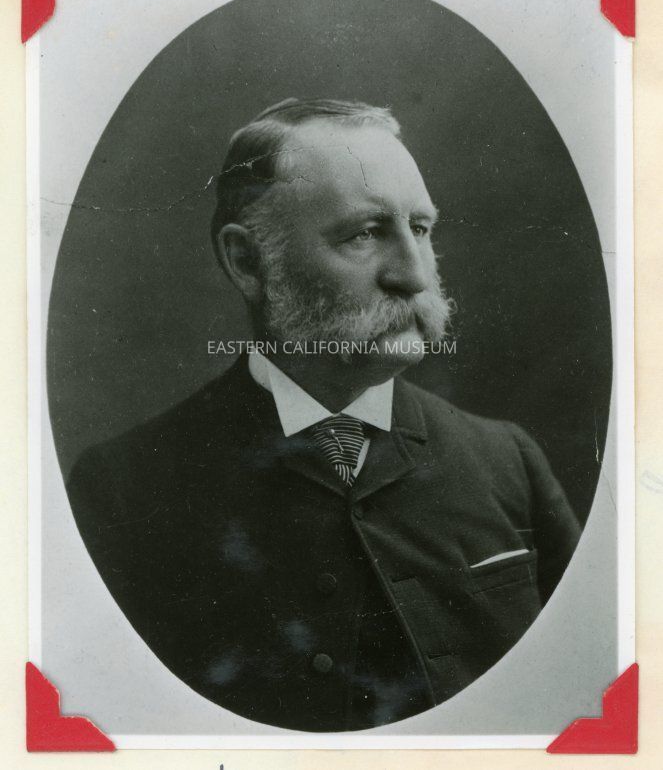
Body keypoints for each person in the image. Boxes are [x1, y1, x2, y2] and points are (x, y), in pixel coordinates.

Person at [66, 98, 581, 732]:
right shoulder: (123, 490)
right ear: (248, 261)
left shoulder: (508, 460)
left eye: (421, 229)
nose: (414, 276)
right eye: (365, 233)